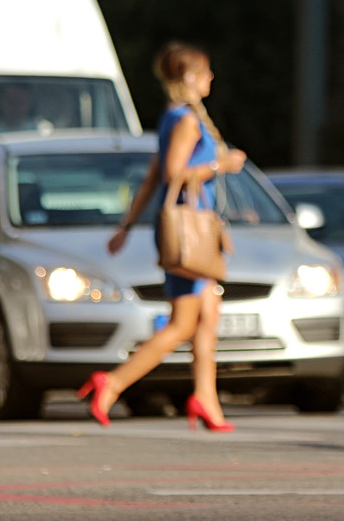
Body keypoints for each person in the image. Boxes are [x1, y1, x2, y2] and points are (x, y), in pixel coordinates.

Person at [78, 42, 247, 431]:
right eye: (205, 73)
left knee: (208, 317)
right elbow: (172, 175)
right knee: (183, 324)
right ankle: (113, 382)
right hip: (189, 234)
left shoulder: (173, 118)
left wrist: (126, 226)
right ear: (189, 78)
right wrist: (220, 164)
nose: (211, 79)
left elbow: (153, 177)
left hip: (182, 229)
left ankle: (206, 398)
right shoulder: (186, 120)